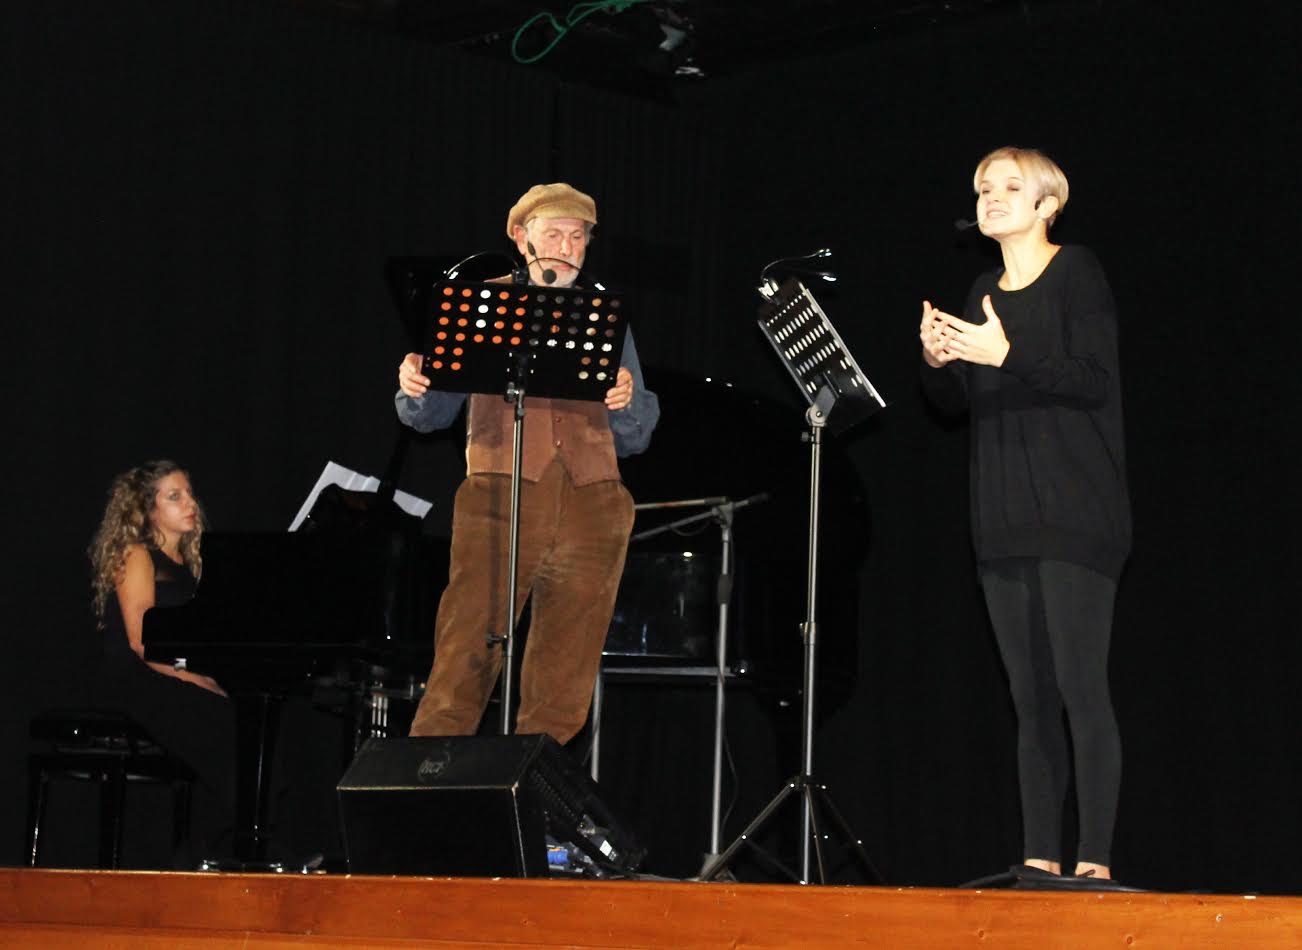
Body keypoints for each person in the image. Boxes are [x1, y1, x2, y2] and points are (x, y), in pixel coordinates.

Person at [919, 147, 1130, 882]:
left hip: (1077, 512)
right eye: (984, 188)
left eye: (1011, 187)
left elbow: (1093, 379)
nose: (992, 197)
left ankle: (1094, 863)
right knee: (1029, 700)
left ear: (1048, 206)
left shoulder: (1077, 272)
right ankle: (1040, 861)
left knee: (1080, 689)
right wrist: (939, 363)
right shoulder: (983, 290)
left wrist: (1006, 353)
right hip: (1001, 515)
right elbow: (956, 404)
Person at [395, 182, 660, 746]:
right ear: (521, 238)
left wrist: (626, 400)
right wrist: (416, 383)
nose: (566, 247)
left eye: (578, 237)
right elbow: (430, 415)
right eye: (554, 234)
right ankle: (430, 774)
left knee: (567, 667)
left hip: (594, 500)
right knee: (468, 645)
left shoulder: (604, 314)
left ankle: (539, 787)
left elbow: (636, 436)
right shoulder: (478, 303)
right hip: (501, 492)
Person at [89, 459, 237, 864]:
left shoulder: (194, 564)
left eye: (189, 494)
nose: (191, 503)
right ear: (149, 510)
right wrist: (194, 678)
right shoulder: (138, 554)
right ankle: (219, 847)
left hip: (171, 672)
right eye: (175, 496)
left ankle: (223, 845)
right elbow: (142, 643)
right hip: (134, 677)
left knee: (249, 714)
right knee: (216, 717)